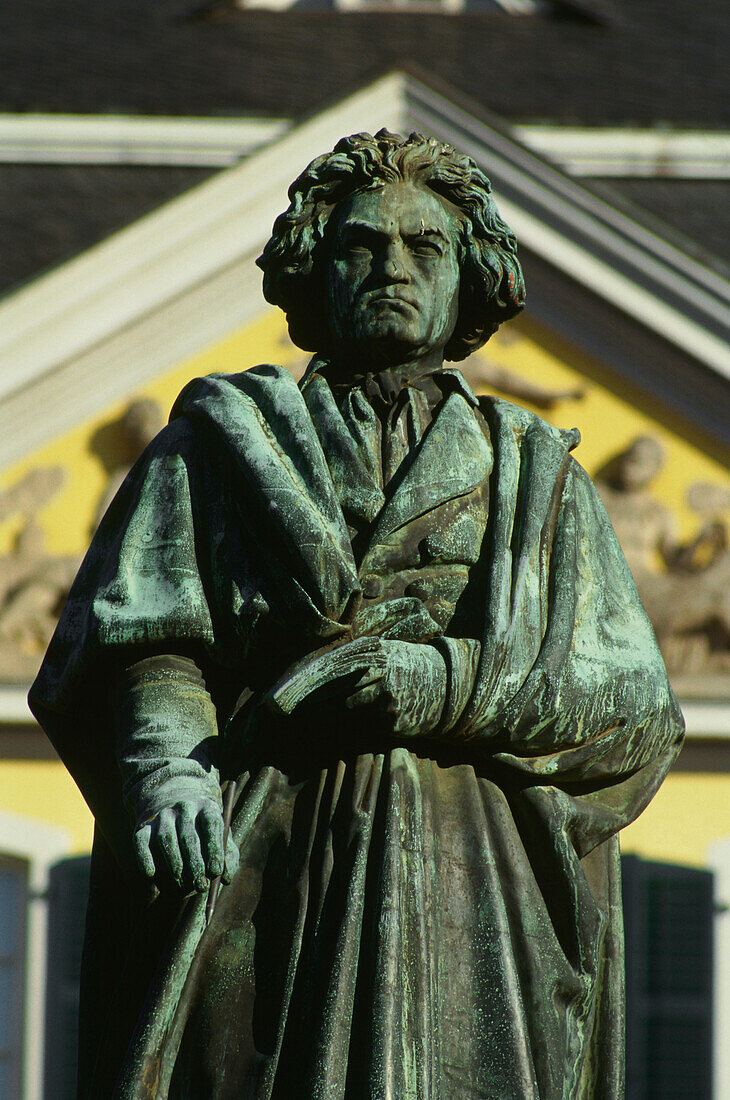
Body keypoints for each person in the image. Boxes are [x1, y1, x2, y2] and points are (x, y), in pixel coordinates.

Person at [30, 130, 683, 1099]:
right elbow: (146, 641)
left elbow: (631, 705)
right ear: (312, 267)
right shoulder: (215, 446)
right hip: (260, 863)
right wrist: (168, 771)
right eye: (360, 246)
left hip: (472, 886)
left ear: (472, 276)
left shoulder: (536, 476)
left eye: (425, 248)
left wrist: (445, 682)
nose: (393, 268)